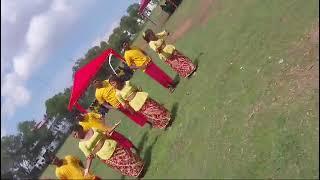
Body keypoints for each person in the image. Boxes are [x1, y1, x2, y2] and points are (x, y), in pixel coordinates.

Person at [72, 125, 144, 178]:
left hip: (113, 145)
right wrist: (87, 169)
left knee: (128, 156)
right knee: (122, 165)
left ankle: (140, 166)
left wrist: (108, 133)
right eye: (73, 136)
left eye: (75, 133)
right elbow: (89, 157)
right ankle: (137, 173)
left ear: (79, 129)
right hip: (105, 156)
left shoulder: (93, 128)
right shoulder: (81, 145)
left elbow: (104, 134)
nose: (75, 136)